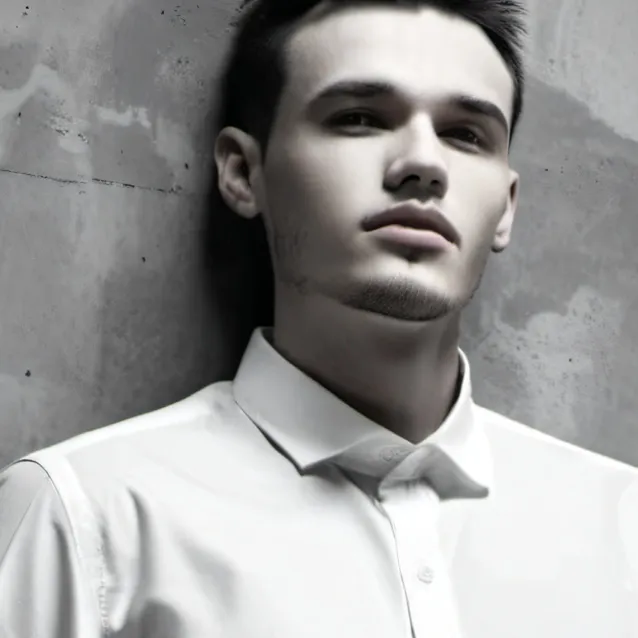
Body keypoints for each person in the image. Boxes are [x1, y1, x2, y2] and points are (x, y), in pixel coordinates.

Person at [1, 0, 637, 636]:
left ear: (507, 206)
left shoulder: (621, 527)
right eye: (359, 118)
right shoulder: (87, 520)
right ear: (243, 172)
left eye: (466, 134)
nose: (424, 163)